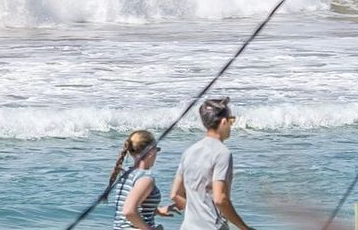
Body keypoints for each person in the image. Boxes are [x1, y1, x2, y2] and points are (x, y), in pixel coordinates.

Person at [170, 97, 254, 230]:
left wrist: (197, 211)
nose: (231, 126)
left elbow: (175, 194)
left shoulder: (189, 151)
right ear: (224, 121)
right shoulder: (222, 153)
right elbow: (220, 199)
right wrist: (244, 227)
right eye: (231, 121)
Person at [108, 129, 178, 229]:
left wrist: (157, 211)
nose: (157, 153)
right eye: (157, 149)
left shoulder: (125, 173)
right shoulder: (145, 179)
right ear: (150, 152)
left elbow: (134, 205)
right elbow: (129, 211)